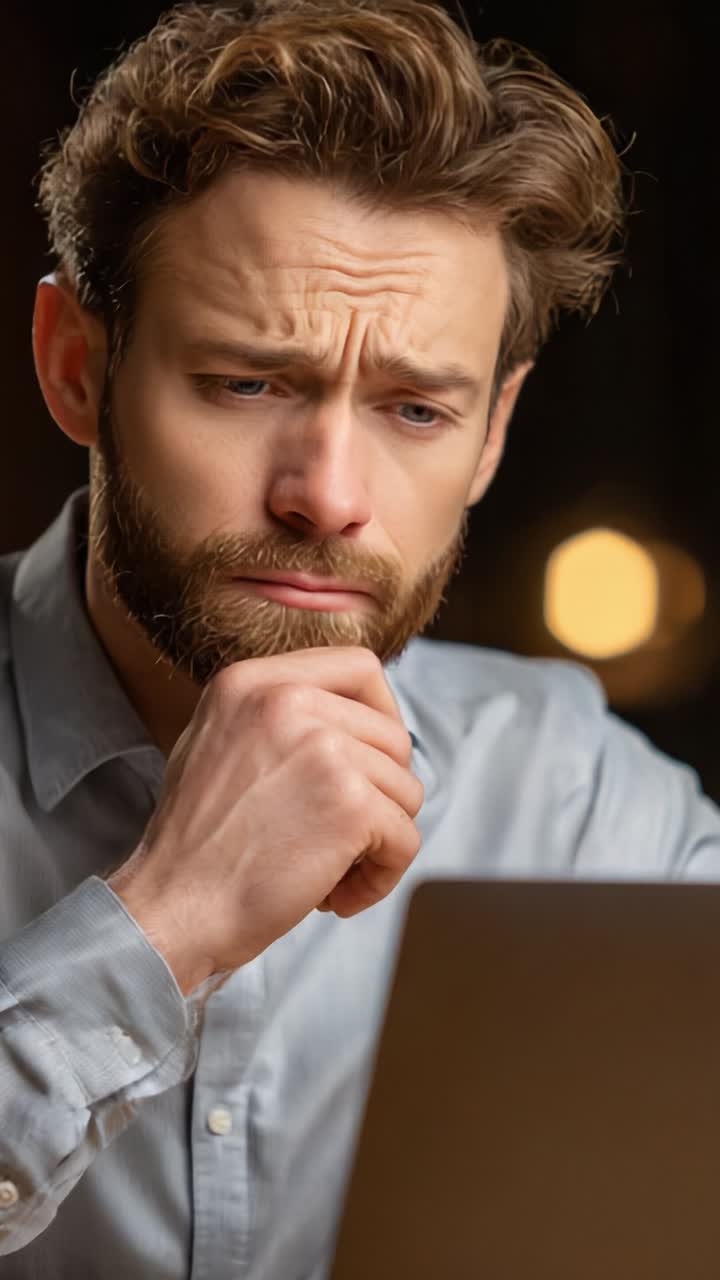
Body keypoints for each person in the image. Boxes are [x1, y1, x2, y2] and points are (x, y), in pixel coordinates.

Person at [0, 0, 717, 1275]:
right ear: (72, 366)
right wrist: (162, 922)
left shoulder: (590, 808)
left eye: (415, 409)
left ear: (494, 430)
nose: (328, 493)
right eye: (247, 382)